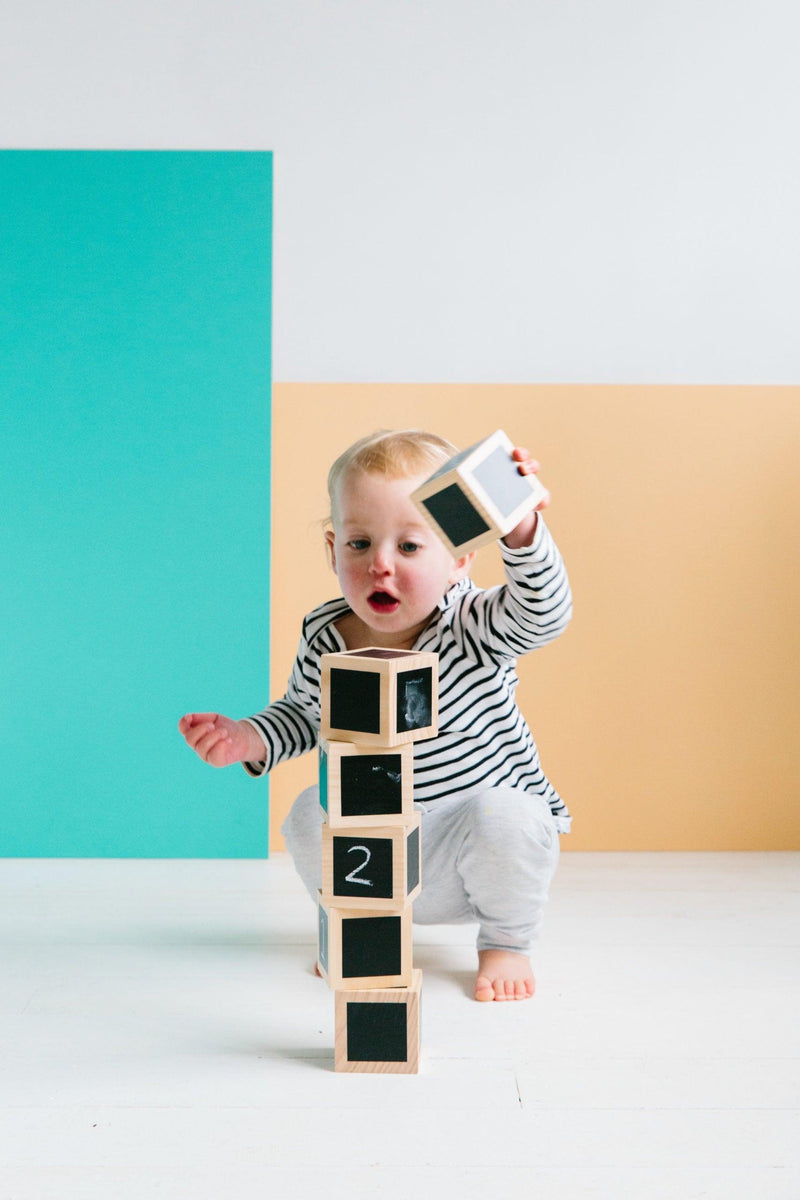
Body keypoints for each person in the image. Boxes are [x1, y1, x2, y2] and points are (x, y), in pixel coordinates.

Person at [178, 429, 572, 1002]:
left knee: (507, 815)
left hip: (471, 847)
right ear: (332, 548)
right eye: (359, 545)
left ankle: (506, 941)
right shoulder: (327, 634)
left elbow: (543, 615)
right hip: (375, 851)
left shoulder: (471, 624)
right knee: (312, 811)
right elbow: (304, 717)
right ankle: (358, 929)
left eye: (409, 547)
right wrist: (247, 738)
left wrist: (521, 531)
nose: (380, 565)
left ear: (460, 558)